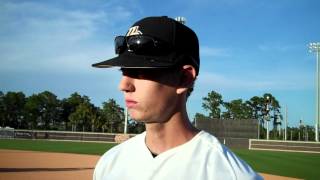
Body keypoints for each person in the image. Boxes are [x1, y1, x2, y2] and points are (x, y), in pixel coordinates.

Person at [92, 16, 263, 180]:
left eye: (139, 72)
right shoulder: (110, 163)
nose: (123, 85)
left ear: (184, 78)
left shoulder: (230, 175)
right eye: (124, 72)